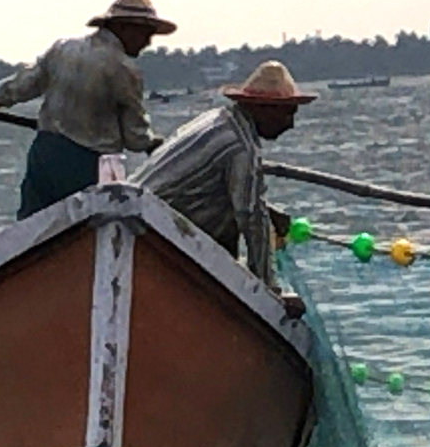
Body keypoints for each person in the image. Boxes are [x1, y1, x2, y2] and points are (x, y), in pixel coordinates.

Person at [0, 0, 173, 218]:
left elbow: (21, 85)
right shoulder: (124, 69)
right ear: (124, 28)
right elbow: (135, 137)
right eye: (145, 34)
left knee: (32, 229)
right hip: (87, 165)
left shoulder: (63, 49)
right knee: (87, 228)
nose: (148, 42)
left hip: (44, 155)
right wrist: (153, 145)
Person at [132, 60, 315, 290]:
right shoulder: (240, 147)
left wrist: (267, 212)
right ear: (264, 108)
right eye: (287, 113)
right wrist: (270, 289)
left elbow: (241, 200)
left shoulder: (216, 119)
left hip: (139, 217)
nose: (290, 124)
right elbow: (251, 217)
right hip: (153, 236)